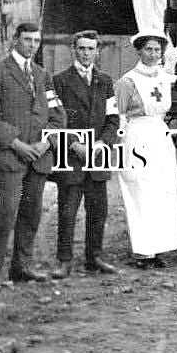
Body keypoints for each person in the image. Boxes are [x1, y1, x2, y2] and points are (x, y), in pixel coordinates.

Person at [0, 22, 65, 291]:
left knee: (31, 213)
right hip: (11, 156)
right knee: (6, 212)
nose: (32, 45)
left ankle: (22, 267)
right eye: (27, 39)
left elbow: (57, 116)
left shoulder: (43, 75)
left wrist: (44, 143)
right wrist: (16, 144)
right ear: (16, 40)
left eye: (36, 41)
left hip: (38, 156)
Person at [50, 30, 119, 279]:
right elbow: (54, 119)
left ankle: (94, 257)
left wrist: (102, 143)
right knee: (67, 211)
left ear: (97, 51)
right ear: (74, 49)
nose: (86, 53)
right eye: (82, 48)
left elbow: (113, 119)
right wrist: (72, 144)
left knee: (98, 209)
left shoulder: (105, 81)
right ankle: (64, 260)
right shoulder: (59, 81)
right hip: (71, 158)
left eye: (91, 49)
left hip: (97, 157)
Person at [114, 30, 177, 268]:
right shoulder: (127, 81)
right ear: (139, 51)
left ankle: (159, 247)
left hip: (160, 136)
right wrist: (122, 147)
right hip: (136, 136)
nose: (153, 54)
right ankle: (143, 251)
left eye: (157, 50)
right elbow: (120, 117)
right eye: (148, 49)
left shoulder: (164, 77)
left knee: (161, 189)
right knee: (140, 190)